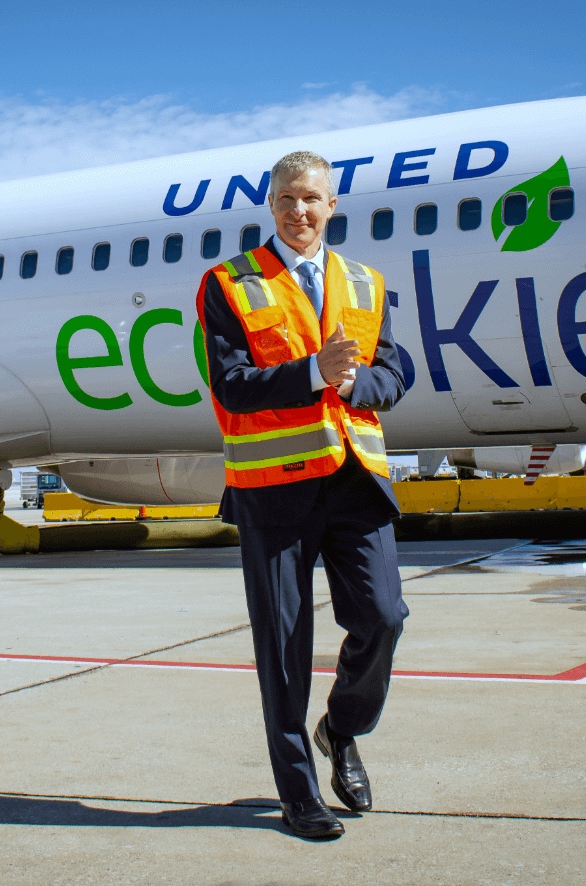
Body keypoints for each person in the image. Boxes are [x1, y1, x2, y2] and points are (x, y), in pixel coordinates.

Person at [195, 150, 409, 839]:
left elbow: (395, 373)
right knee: (284, 648)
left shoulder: (365, 282)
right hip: (274, 492)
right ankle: (299, 794)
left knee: (383, 617)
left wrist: (353, 385)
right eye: (287, 198)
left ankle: (340, 730)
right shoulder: (229, 283)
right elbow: (230, 386)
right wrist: (313, 373)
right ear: (272, 204)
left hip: (354, 479)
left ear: (331, 206)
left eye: (312, 199)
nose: (299, 210)